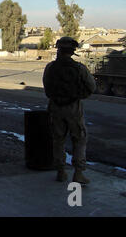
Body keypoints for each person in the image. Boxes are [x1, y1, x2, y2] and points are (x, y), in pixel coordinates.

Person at [43, 37, 96, 184]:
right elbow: (91, 87)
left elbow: (47, 89)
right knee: (79, 139)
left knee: (58, 140)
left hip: (55, 107)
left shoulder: (50, 67)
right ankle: (78, 173)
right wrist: (79, 96)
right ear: (72, 52)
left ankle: (61, 172)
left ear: (58, 50)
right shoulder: (79, 68)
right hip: (73, 107)